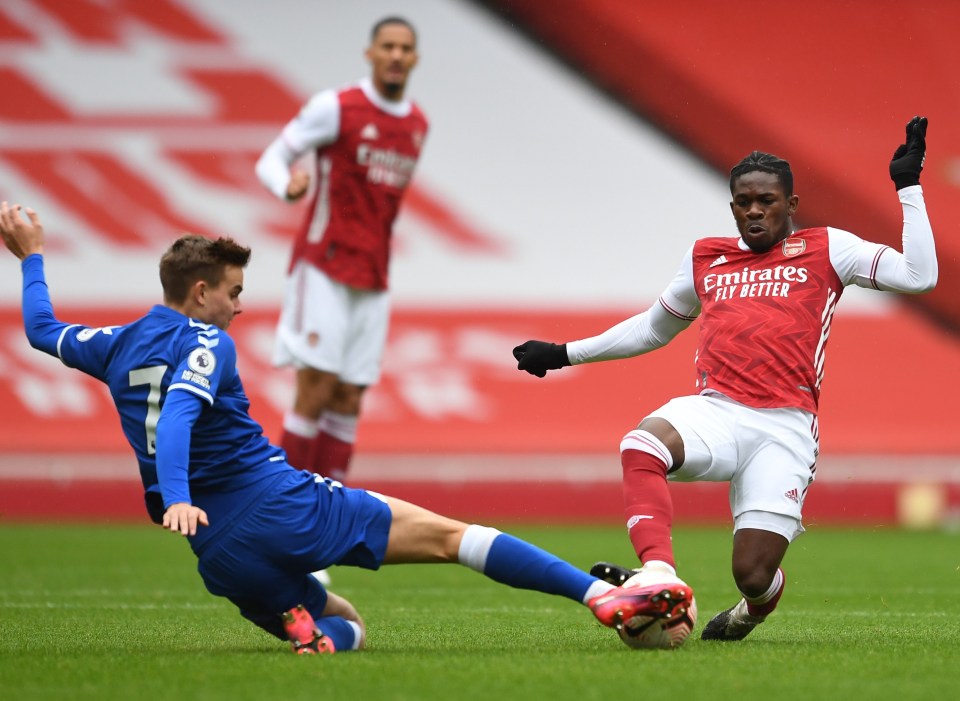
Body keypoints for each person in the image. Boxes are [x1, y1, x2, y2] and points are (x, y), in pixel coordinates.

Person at [0, 203, 684, 655]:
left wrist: (30, 254)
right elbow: (180, 410)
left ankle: (309, 632)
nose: (239, 307)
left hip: (217, 555)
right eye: (234, 292)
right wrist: (178, 489)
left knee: (345, 620)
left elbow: (40, 330)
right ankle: (603, 593)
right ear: (201, 292)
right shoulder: (206, 343)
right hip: (276, 503)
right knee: (452, 537)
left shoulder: (115, 344)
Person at [513, 117, 937, 643]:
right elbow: (652, 328)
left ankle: (750, 612)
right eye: (743, 201)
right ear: (732, 204)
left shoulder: (829, 248)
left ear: (792, 203)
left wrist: (908, 188)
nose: (754, 210)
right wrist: (563, 353)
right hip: (716, 411)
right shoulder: (706, 258)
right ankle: (658, 573)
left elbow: (921, 277)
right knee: (642, 443)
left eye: (767, 200)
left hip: (784, 428)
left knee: (752, 576)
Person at [255, 16, 428, 485]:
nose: (395, 55)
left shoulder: (415, 125)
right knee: (314, 390)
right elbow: (272, 158)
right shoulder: (336, 108)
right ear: (370, 53)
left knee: (349, 397)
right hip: (324, 266)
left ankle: (326, 520)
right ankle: (282, 517)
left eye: (404, 48)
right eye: (387, 46)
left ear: (414, 58)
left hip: (373, 277)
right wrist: (286, 186)